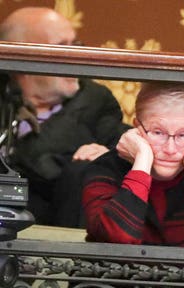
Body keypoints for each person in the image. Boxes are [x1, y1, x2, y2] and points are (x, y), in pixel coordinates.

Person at [0, 7, 130, 227]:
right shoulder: (4, 97)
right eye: (62, 47)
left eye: (76, 46)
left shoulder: (94, 102)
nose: (75, 57)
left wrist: (109, 156)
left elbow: (125, 144)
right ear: (22, 54)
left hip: (55, 228)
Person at [82, 82, 184, 249]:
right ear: (136, 129)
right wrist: (142, 163)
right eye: (157, 132)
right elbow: (116, 240)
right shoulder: (105, 168)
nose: (170, 149)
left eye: (183, 134)